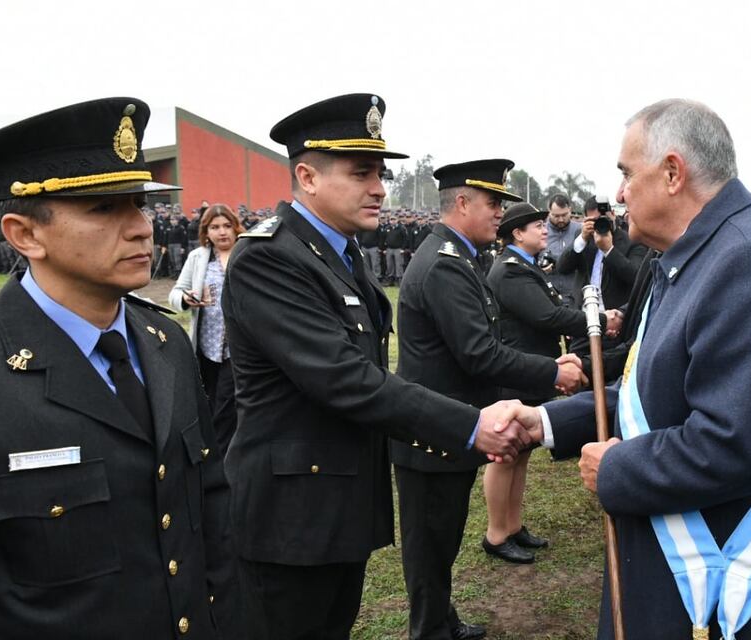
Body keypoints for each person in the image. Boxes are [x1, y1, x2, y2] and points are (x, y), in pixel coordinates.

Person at [517, 99, 751, 639]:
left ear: (672, 173)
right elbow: (653, 394)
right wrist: (546, 422)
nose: (620, 193)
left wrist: (617, 470)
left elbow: (730, 445)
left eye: (626, 174)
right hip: (690, 573)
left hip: (739, 591)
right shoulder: (698, 253)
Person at [220, 94, 534, 640]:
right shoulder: (270, 257)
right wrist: (469, 425)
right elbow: (347, 380)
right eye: (361, 172)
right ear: (306, 177)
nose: (379, 188)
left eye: (381, 174)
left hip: (337, 503)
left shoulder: (340, 254)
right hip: (292, 518)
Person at [0, 97, 243, 639]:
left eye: (138, 204)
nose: (141, 228)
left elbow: (208, 512)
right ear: (25, 234)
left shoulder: (164, 343)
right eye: (103, 208)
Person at [393, 158, 586, 640]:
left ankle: (441, 621)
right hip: (433, 432)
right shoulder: (444, 265)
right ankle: (431, 629)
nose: (501, 212)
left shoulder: (459, 257)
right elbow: (479, 353)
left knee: (441, 542)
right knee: (430, 546)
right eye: (493, 202)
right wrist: (551, 371)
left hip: (447, 426)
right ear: (462, 203)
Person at [483, 202, 617, 564]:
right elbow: (547, 316)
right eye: (536, 226)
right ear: (516, 234)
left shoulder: (525, 266)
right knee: (504, 454)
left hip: (532, 367)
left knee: (521, 451)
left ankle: (513, 525)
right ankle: (496, 533)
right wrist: (599, 321)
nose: (545, 230)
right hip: (516, 370)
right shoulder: (510, 271)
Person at [169, 203, 243, 457]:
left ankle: (218, 459)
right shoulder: (198, 257)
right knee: (209, 400)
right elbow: (175, 292)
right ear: (206, 231)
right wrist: (186, 298)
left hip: (239, 345)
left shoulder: (248, 253)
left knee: (225, 404)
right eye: (215, 227)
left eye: (226, 226)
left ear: (235, 227)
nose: (222, 232)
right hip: (208, 346)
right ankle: (209, 450)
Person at [556, 195, 646, 310]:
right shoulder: (583, 236)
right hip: (582, 311)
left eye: (604, 219)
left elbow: (636, 277)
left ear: (613, 214)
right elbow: (562, 268)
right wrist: (582, 240)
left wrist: (609, 250)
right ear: (586, 220)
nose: (601, 223)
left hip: (614, 314)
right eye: (594, 221)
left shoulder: (631, 240)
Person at [543, 193, 581, 306]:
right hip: (548, 296)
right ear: (549, 211)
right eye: (556, 216)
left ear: (570, 209)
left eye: (564, 215)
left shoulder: (581, 231)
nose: (560, 219)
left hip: (575, 296)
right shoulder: (540, 231)